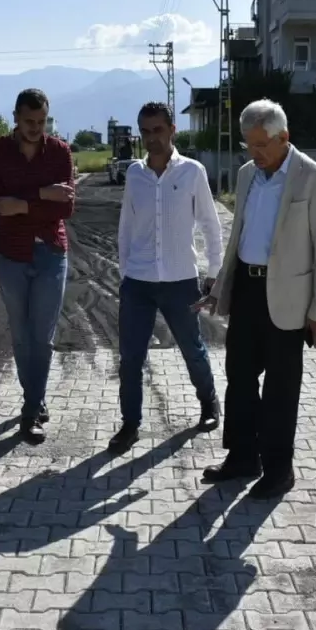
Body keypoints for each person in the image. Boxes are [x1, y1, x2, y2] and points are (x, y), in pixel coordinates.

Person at [196, 98, 316, 499]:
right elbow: (239, 235)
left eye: (261, 145)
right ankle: (243, 457)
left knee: (280, 388)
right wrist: (221, 286)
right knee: (239, 379)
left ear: (284, 138)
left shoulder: (313, 178)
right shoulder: (246, 175)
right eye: (248, 144)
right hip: (246, 289)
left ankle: (278, 470)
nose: (254, 153)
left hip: (289, 298)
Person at [109, 101, 223, 454]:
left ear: (172, 130)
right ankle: (130, 424)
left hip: (180, 281)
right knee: (130, 357)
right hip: (139, 283)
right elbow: (126, 226)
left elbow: (210, 224)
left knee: (192, 348)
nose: (151, 138)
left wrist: (214, 274)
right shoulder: (135, 175)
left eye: (158, 130)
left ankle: (208, 404)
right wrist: (126, 270)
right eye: (145, 131)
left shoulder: (192, 172)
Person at [0, 88, 74, 443]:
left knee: (43, 337)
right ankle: (35, 396)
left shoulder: (60, 152)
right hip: (11, 254)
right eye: (29, 121)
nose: (36, 128)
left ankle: (31, 410)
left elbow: (65, 207)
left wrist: (23, 202)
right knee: (21, 336)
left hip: (51, 253)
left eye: (42, 121)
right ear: (16, 117)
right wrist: (41, 195)